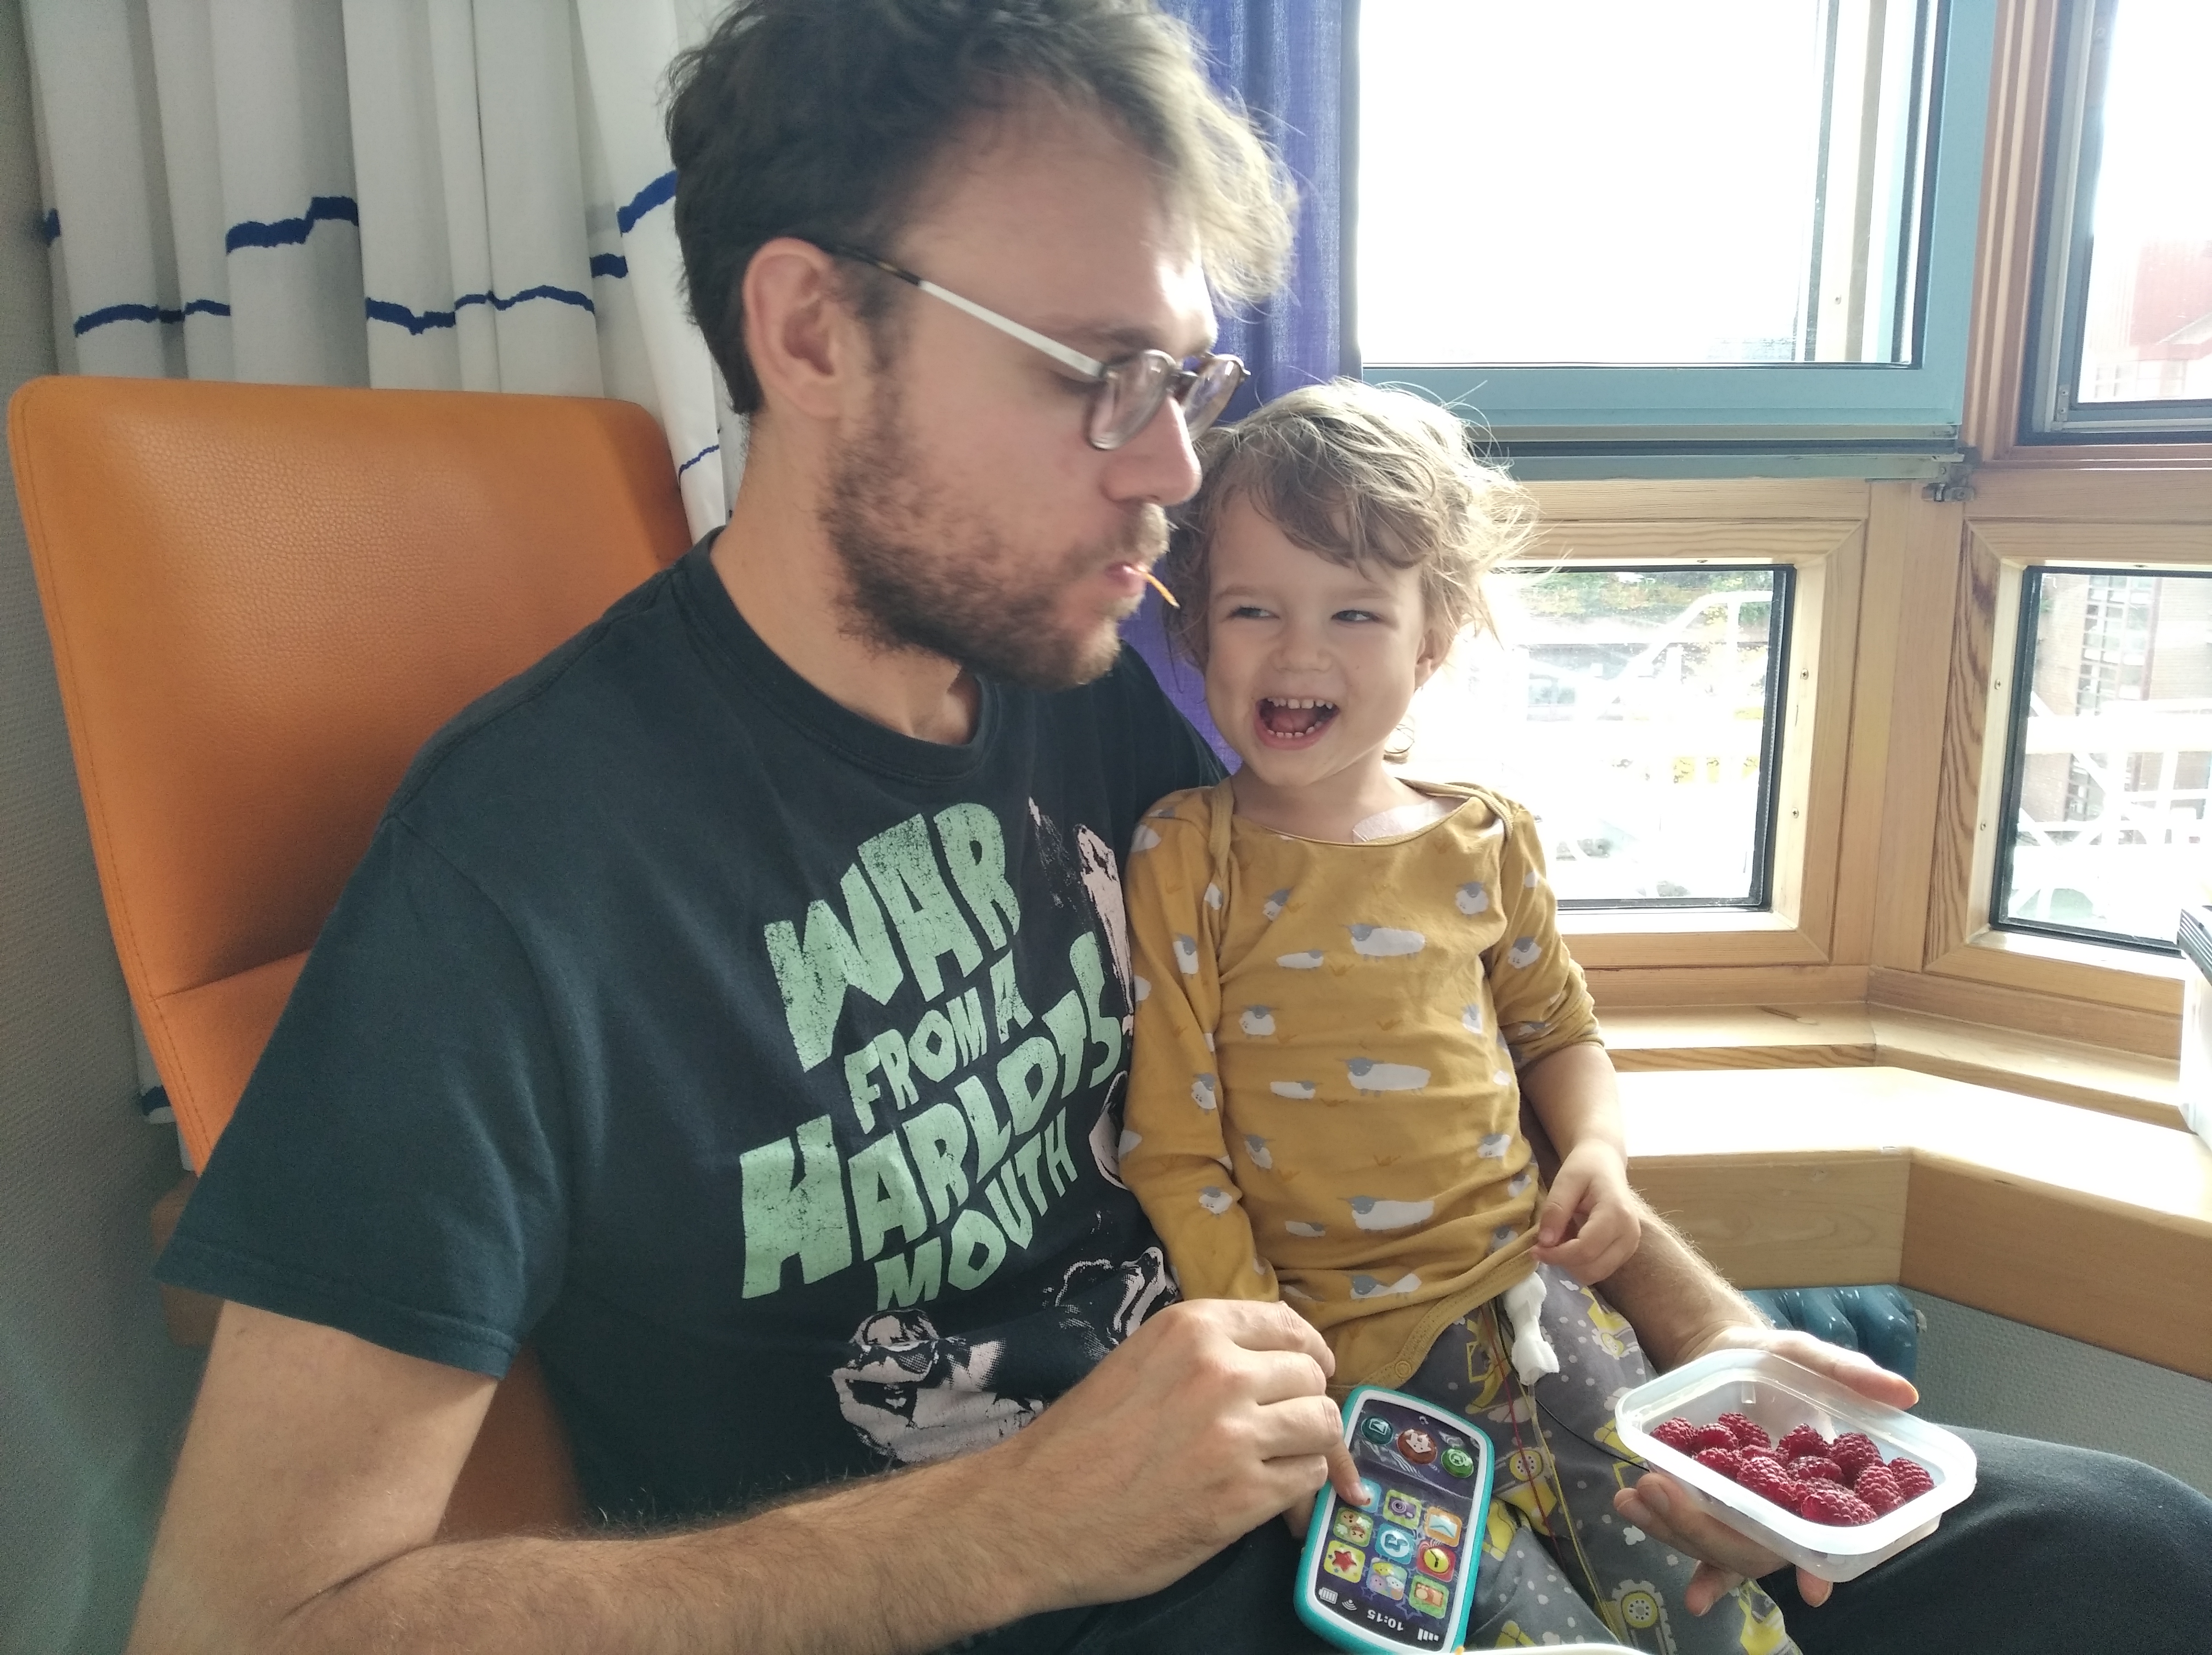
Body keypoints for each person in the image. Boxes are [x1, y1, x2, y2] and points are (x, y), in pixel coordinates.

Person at [122, 3, 2212, 1653]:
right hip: (1058, 1598)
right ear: (812, 329)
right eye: (1100, 373)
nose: (1173, 477)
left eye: (1187, 379)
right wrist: (1001, 1525)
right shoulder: (523, 865)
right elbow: (241, 1616)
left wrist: (1680, 1331)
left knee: (2132, 1549)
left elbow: (1409, 1002)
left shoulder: (1069, 667)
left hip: (1399, 1436)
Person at [1119, 380, 1798, 1650]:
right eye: (1253, 608)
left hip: (1552, 1311)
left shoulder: (1487, 836)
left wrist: (1599, 1153)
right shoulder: (1185, 855)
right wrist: (1282, 1381)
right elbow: (1175, 1150)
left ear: (1430, 641)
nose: (1298, 650)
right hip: (1355, 1380)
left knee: (1716, 1614)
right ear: (1199, 631)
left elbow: (1557, 1031)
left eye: (1355, 611)